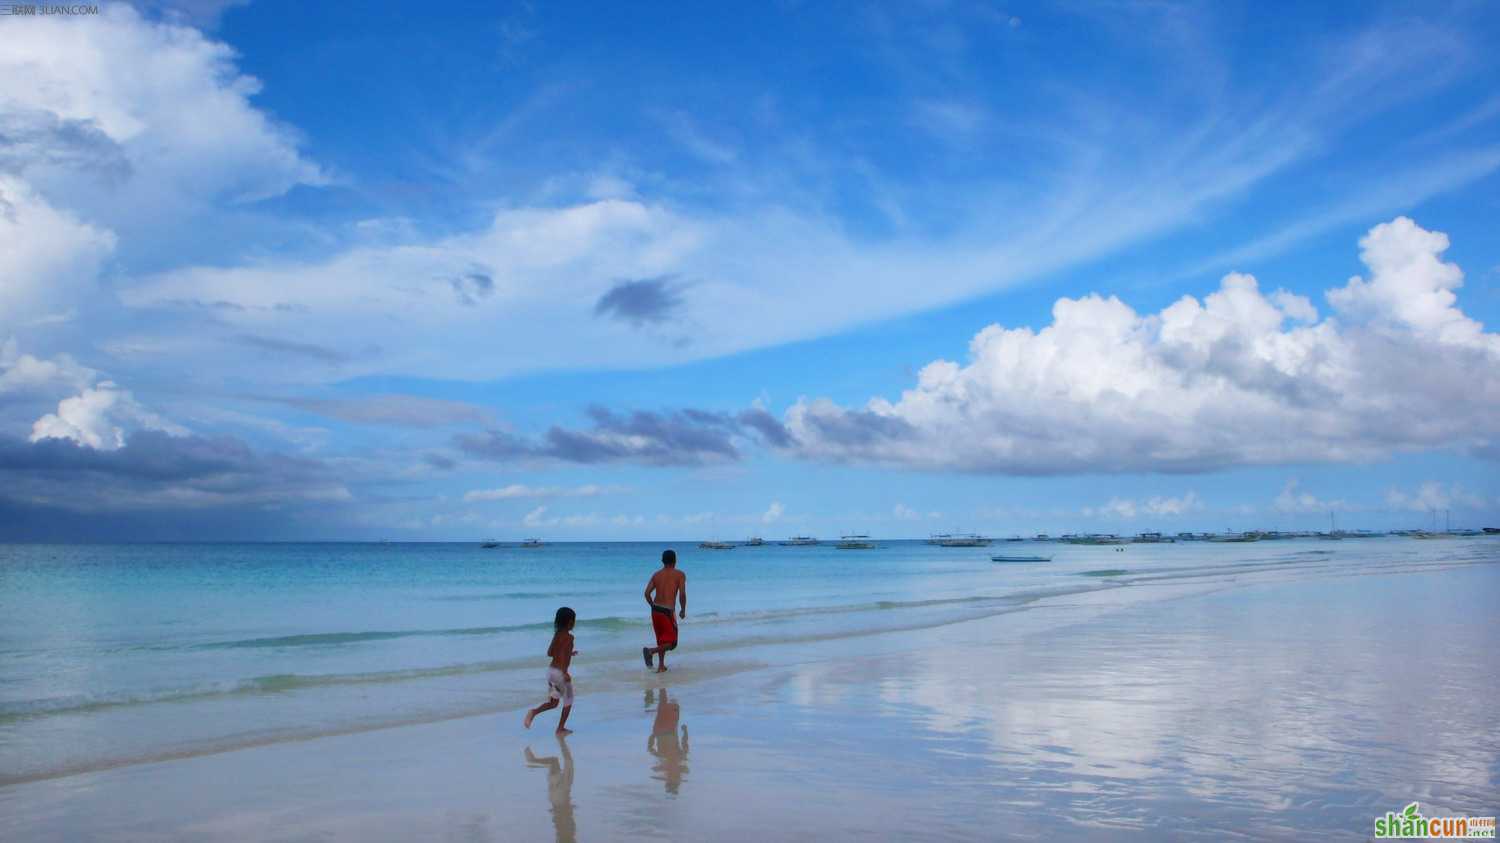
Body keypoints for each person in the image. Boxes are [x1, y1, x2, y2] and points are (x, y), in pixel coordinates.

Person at [525, 607, 577, 734]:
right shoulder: (569, 638)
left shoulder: (557, 634)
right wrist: (564, 673)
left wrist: (569, 653)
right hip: (560, 673)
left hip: (551, 672)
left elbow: (550, 653)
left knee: (553, 703)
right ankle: (560, 728)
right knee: (568, 701)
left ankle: (533, 712)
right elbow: (562, 658)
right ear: (570, 622)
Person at [642, 549, 686, 673]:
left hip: (655, 610)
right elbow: (682, 594)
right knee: (672, 643)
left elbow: (646, 594)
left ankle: (661, 666)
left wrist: (652, 606)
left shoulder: (656, 575)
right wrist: (683, 609)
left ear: (662, 561)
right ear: (675, 561)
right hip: (667, 612)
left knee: (661, 639)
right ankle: (650, 651)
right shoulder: (680, 574)